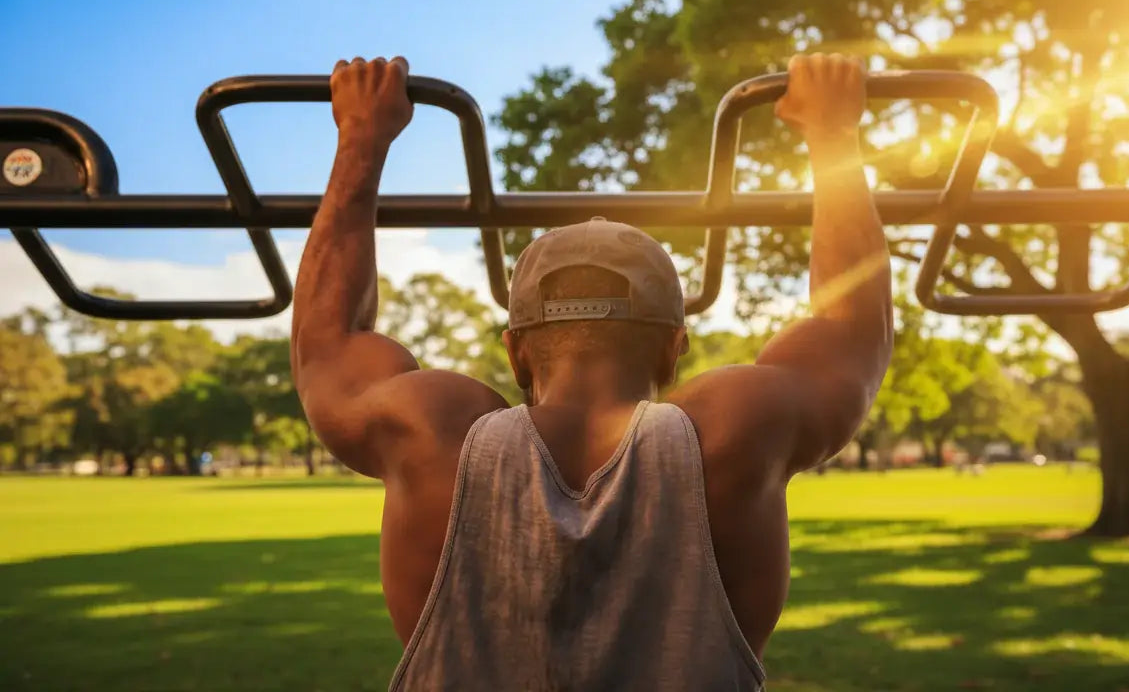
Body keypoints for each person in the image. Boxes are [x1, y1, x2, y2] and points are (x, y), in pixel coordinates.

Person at [291, 52, 893, 691]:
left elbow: (328, 342)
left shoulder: (435, 431)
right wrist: (832, 134)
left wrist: (361, 136)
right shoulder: (733, 428)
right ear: (673, 346)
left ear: (517, 350)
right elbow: (850, 332)